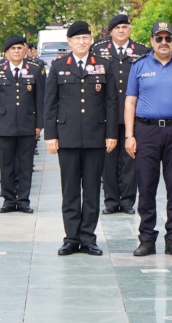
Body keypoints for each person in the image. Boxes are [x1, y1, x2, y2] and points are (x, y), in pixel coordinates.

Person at [125, 20, 172, 257]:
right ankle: (147, 238)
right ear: (151, 41)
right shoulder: (139, 66)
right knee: (146, 186)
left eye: (168, 38)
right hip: (146, 132)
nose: (164, 42)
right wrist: (129, 135)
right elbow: (130, 102)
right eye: (159, 38)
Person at [44, 21, 118, 256]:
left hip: (96, 137)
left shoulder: (104, 65)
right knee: (70, 191)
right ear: (69, 42)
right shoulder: (58, 67)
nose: (82, 42)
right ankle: (71, 238)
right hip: (67, 138)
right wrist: (50, 135)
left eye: (86, 38)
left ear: (91, 40)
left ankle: (88, 238)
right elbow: (49, 104)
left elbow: (111, 103)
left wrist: (111, 134)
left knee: (93, 190)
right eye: (77, 39)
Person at [92, 14, 149, 215]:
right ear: (111, 31)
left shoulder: (141, 52)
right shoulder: (98, 51)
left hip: (133, 114)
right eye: (117, 28)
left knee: (130, 157)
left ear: (130, 29)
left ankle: (127, 201)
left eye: (125, 27)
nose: (121, 31)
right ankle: (110, 200)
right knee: (108, 158)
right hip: (106, 114)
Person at [0, 36, 44, 213]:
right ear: (7, 53)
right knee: (6, 164)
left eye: (20, 48)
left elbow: (40, 98)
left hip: (28, 124)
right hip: (5, 124)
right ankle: (9, 199)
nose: (17, 51)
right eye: (13, 49)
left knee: (25, 164)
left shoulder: (35, 70)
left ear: (25, 50)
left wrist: (39, 124)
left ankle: (23, 200)